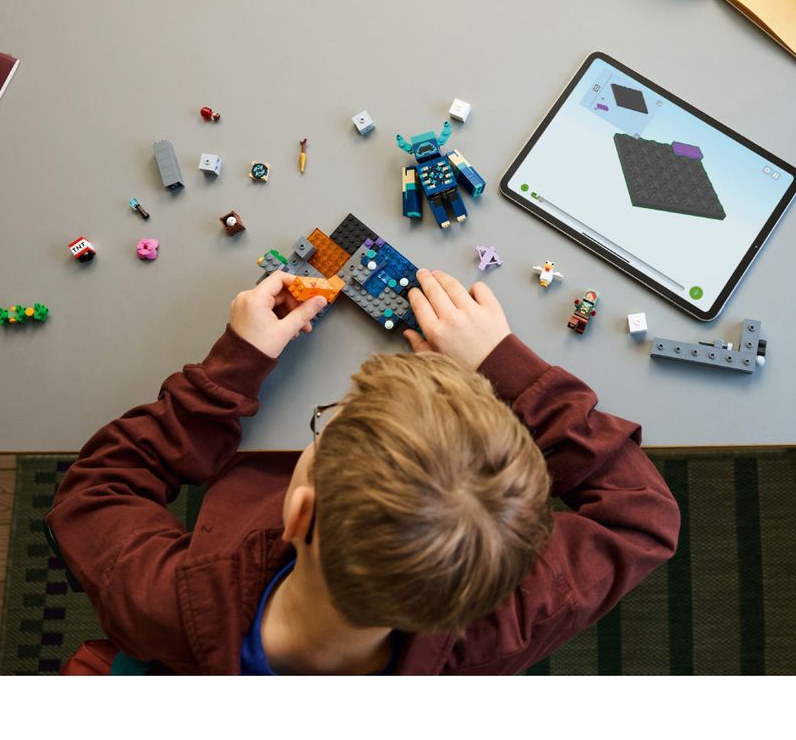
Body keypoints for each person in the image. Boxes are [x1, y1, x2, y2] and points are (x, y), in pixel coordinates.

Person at [47, 268, 680, 675]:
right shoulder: (499, 630)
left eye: (327, 427)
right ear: (503, 574)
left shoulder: (164, 601)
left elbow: (97, 488)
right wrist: (506, 366)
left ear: (297, 511)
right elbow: (643, 516)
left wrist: (229, 372)